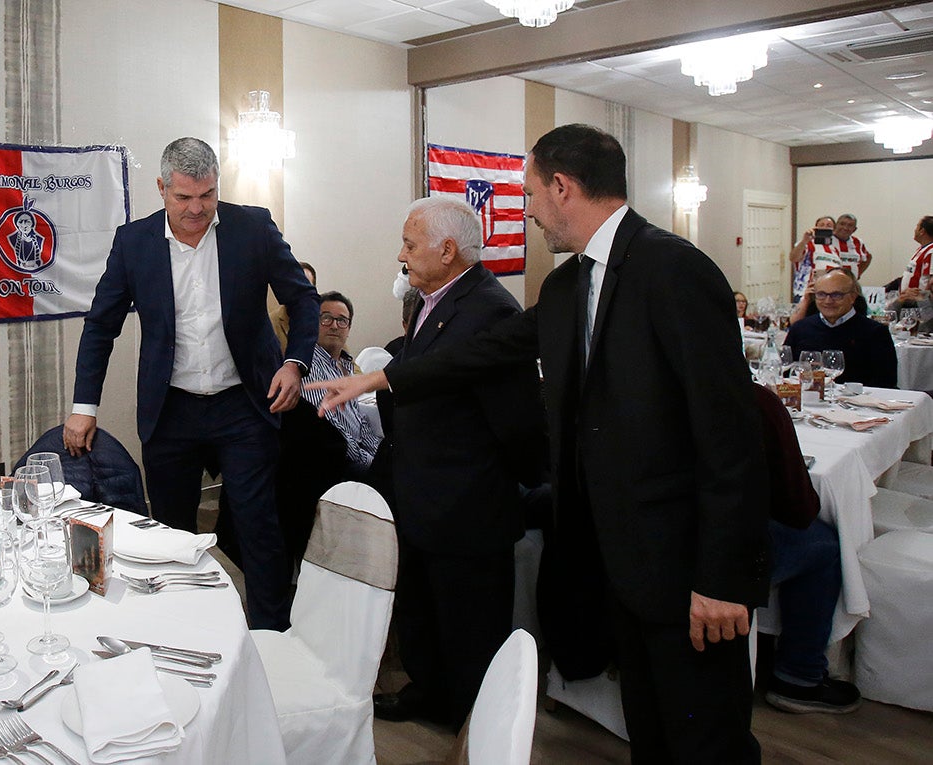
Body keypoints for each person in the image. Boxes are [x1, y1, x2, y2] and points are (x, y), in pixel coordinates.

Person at [308, 124, 769, 762]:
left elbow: (731, 437)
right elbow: (482, 353)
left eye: (530, 194)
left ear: (563, 187)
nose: (525, 211)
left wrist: (723, 577)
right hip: (616, 560)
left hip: (683, 561)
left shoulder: (674, 269)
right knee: (652, 730)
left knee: (706, 737)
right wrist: (379, 375)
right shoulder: (567, 284)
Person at [63, 137, 318, 631]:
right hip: (171, 407)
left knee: (257, 523)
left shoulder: (253, 228)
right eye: (183, 198)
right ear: (161, 189)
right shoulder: (133, 243)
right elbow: (100, 326)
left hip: (244, 401)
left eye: (207, 195)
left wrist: (294, 363)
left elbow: (304, 301)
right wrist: (83, 407)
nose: (197, 209)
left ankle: (270, 635)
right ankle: (182, 628)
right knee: (171, 531)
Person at [370, 197, 546, 728]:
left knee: (468, 621)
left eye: (409, 243)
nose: (401, 255)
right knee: (424, 609)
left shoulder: (489, 309)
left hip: (467, 500)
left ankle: (473, 723)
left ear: (447, 251)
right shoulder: (432, 298)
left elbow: (514, 419)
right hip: (425, 492)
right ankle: (431, 693)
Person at [751, 384, 861, 715]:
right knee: (826, 544)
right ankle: (799, 676)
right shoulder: (752, 399)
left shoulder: (630, 391)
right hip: (711, 559)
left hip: (633, 549)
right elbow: (799, 509)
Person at [298, 290, 381, 475]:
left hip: (355, 457)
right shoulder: (308, 364)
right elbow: (332, 429)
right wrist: (372, 464)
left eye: (342, 320)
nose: (334, 326)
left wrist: (378, 456)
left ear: (349, 329)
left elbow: (360, 422)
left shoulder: (346, 365)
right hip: (331, 462)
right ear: (314, 322)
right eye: (326, 318)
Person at [784, 269, 896, 389]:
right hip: (808, 401)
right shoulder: (800, 328)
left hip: (858, 403)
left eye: (836, 295)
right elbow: (785, 374)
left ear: (853, 297)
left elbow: (885, 382)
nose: (828, 301)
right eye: (821, 294)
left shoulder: (875, 332)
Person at [790, 214, 872, 303]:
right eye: (821, 225)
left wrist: (856, 275)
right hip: (809, 292)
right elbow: (793, 258)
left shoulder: (849, 245)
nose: (845, 228)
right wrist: (804, 240)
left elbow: (867, 257)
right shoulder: (810, 243)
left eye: (828, 225)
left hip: (837, 293)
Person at [272, 261, 315, 351]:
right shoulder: (271, 323)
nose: (300, 292)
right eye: (296, 286)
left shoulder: (326, 322)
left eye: (305, 287)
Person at [892, 215, 933, 307]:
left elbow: (931, 281)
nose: (915, 230)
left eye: (917, 226)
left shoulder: (931, 251)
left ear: (922, 231)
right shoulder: (922, 249)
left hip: (917, 303)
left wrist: (923, 300)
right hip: (908, 300)